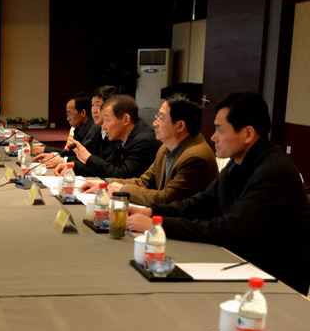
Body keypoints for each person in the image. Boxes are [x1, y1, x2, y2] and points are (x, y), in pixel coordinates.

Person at [127, 92, 310, 294]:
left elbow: (228, 229)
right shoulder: (238, 162)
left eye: (219, 130)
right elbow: (200, 202)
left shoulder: (274, 171)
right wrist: (152, 212)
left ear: (248, 134)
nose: (213, 137)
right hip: (240, 264)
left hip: (275, 281)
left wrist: (158, 225)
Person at [80, 94, 217, 206]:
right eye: (157, 117)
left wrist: (122, 189)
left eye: (161, 118)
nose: (154, 123)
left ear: (180, 126)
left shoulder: (195, 157)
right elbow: (143, 182)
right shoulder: (165, 148)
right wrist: (106, 184)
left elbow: (167, 199)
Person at [57, 94, 158, 179]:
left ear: (125, 120)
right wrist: (73, 167)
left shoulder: (143, 141)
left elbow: (122, 175)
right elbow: (107, 165)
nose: (103, 127)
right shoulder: (122, 135)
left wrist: (87, 158)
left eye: (107, 120)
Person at [33, 93, 101, 167]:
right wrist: (53, 154)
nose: (67, 119)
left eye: (70, 114)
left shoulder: (94, 130)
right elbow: (73, 153)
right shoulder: (79, 128)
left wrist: (64, 160)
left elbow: (85, 159)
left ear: (82, 113)